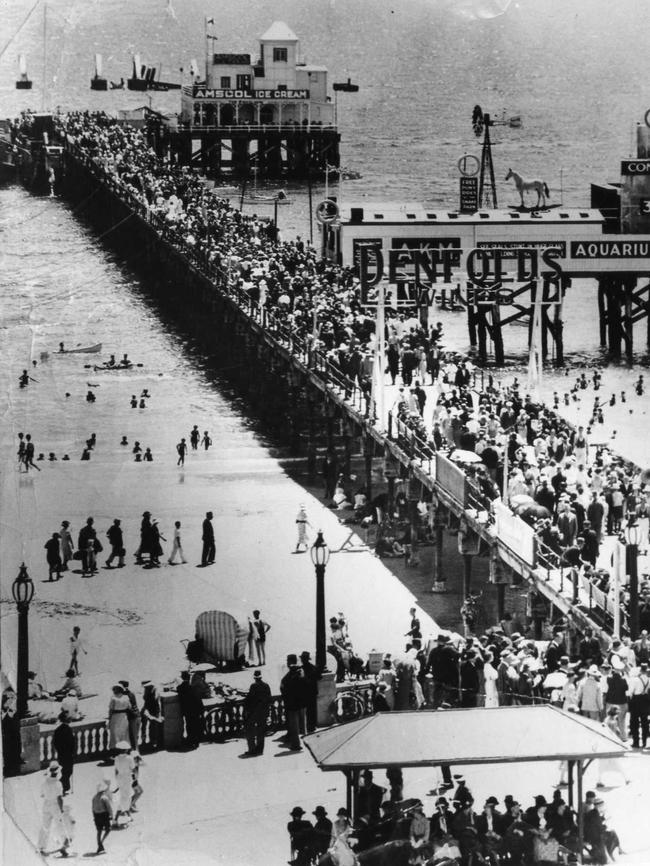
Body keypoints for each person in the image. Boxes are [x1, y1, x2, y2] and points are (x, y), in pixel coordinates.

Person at [38, 761, 66, 855]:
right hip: (55, 806)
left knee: (45, 826)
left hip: (46, 805)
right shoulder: (58, 784)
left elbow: (42, 795)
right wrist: (61, 809)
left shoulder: (44, 783)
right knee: (59, 825)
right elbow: (59, 798)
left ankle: (41, 846)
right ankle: (63, 846)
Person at [280, 655, 307, 751]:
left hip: (292, 704)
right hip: (301, 702)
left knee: (294, 725)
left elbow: (284, 687)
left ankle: (296, 744)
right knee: (303, 723)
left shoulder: (289, 676)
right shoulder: (301, 672)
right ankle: (306, 741)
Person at [243, 669, 271, 756]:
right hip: (263, 712)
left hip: (254, 712)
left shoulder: (253, 686)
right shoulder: (266, 685)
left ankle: (252, 749)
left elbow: (250, 699)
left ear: (254, 678)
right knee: (261, 731)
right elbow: (269, 699)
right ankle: (260, 749)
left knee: (249, 730)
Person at [176, 670, 204, 750]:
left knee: (189, 725)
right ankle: (196, 741)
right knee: (196, 725)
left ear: (182, 678)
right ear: (189, 678)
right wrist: (201, 710)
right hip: (195, 709)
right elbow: (198, 699)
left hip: (187, 710)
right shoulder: (193, 687)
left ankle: (190, 740)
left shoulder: (180, 688)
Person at [52, 712, 76, 795]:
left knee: (64, 770)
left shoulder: (57, 730)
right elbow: (73, 742)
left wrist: (59, 750)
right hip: (68, 754)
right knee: (68, 771)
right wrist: (73, 752)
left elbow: (55, 743)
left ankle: (63, 787)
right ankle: (63, 787)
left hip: (61, 754)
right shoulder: (69, 729)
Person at [113, 742, 135, 825]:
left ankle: (128, 816)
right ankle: (116, 819)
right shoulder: (130, 758)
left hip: (120, 779)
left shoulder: (116, 758)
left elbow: (116, 770)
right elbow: (133, 768)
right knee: (125, 798)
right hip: (127, 779)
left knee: (125, 797)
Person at [300, 651, 320, 733]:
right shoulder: (313, 667)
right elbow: (319, 677)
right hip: (313, 692)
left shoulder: (301, 669)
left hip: (305, 693)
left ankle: (306, 727)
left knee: (305, 711)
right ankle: (312, 726)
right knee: (312, 710)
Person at [107, 684, 131, 754]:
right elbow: (129, 707)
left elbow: (111, 710)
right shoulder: (126, 697)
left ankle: (115, 750)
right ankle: (124, 749)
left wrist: (109, 718)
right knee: (124, 734)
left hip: (116, 717)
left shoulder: (113, 698)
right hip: (124, 717)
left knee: (115, 735)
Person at [91, 780, 113, 855]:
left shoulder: (94, 798)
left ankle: (99, 844)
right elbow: (109, 808)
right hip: (104, 815)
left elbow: (93, 808)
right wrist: (112, 817)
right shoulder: (104, 797)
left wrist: (94, 816)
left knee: (99, 831)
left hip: (97, 816)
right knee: (108, 829)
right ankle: (101, 842)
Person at [118, 680, 140, 752]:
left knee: (132, 738)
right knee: (134, 738)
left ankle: (135, 756)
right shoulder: (131, 693)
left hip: (131, 718)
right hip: (135, 716)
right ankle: (135, 754)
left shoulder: (125, 695)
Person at [141, 681, 164, 750]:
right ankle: (153, 741)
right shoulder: (154, 691)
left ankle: (146, 741)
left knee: (146, 726)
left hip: (149, 710)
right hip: (153, 710)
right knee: (153, 727)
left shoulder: (148, 692)